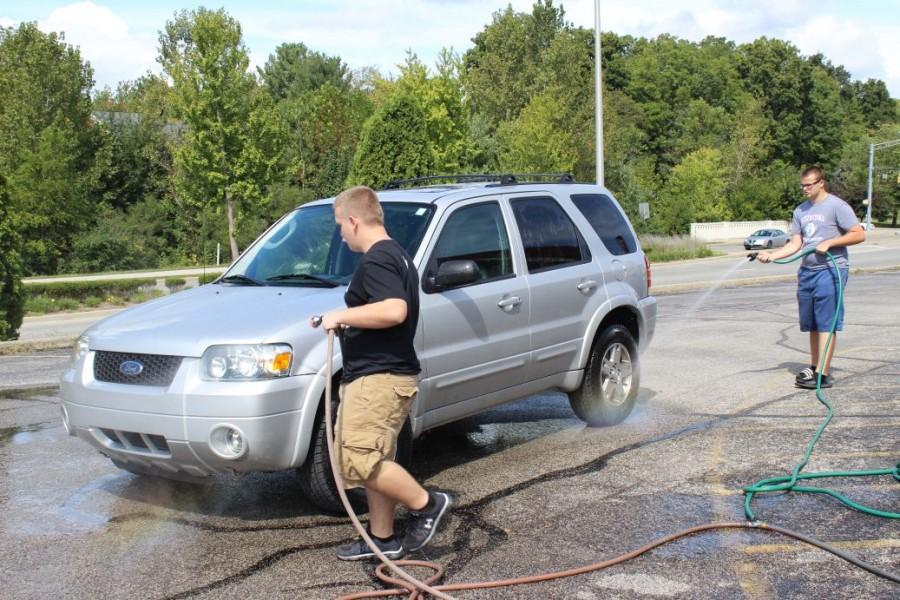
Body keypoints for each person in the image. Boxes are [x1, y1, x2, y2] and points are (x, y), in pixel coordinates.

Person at [312, 185, 452, 561]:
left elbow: (394, 311)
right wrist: (352, 326)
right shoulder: (398, 256)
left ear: (354, 221)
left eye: (340, 225)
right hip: (389, 376)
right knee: (376, 459)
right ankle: (382, 538)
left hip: (378, 380)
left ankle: (427, 503)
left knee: (357, 461)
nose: (340, 234)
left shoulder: (376, 259)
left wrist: (340, 316)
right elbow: (386, 313)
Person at [756, 166, 865, 389]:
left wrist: (830, 242)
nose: (805, 189)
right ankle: (815, 366)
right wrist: (772, 256)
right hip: (808, 272)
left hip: (830, 270)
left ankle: (823, 375)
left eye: (809, 184)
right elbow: (796, 243)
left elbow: (858, 234)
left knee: (826, 323)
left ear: (821, 183)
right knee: (813, 324)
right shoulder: (800, 211)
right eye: (802, 185)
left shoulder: (837, 206)